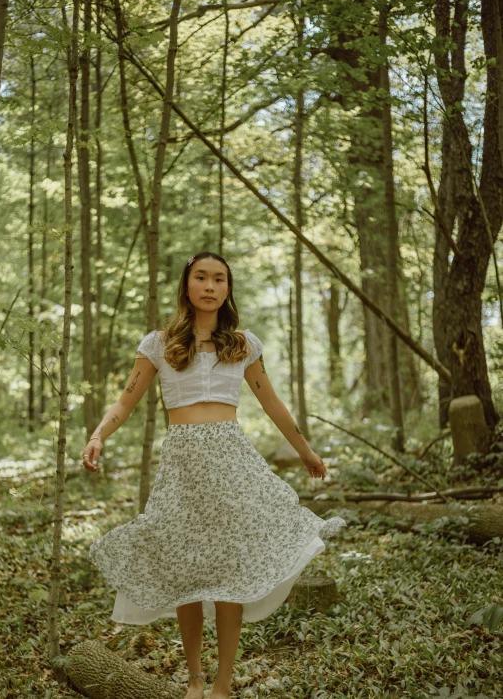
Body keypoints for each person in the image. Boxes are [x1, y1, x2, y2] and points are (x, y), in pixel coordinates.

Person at [83, 251, 346, 699]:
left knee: (230, 575)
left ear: (227, 288)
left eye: (219, 279)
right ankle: (195, 679)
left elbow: (272, 403)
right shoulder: (158, 344)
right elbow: (125, 400)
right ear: (187, 285)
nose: (210, 286)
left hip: (232, 463)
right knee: (187, 570)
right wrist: (98, 435)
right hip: (183, 466)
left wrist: (305, 451)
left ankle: (223, 683)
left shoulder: (243, 344)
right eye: (201, 278)